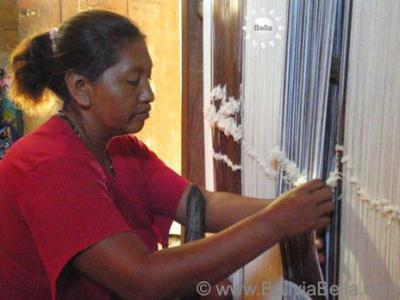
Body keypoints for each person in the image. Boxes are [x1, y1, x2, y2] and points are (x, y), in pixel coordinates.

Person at [0, 10, 334, 300]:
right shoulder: (48, 166)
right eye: (133, 81)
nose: (149, 93)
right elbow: (141, 280)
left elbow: (201, 204)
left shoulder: (121, 149)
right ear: (80, 88)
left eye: (149, 77)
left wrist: (300, 210)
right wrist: (277, 222)